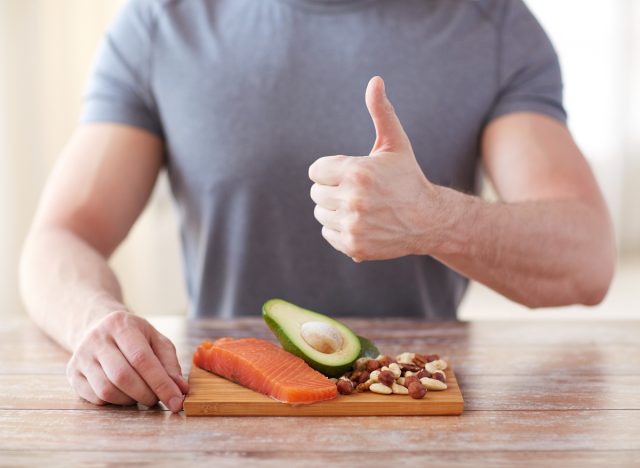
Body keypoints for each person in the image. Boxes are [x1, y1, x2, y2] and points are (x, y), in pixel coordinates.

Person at [19, 0, 614, 413]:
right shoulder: (160, 22)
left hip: (410, 411)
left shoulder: (494, 25)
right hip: (224, 408)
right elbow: (63, 235)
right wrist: (93, 322)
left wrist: (433, 217)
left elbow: (586, 260)